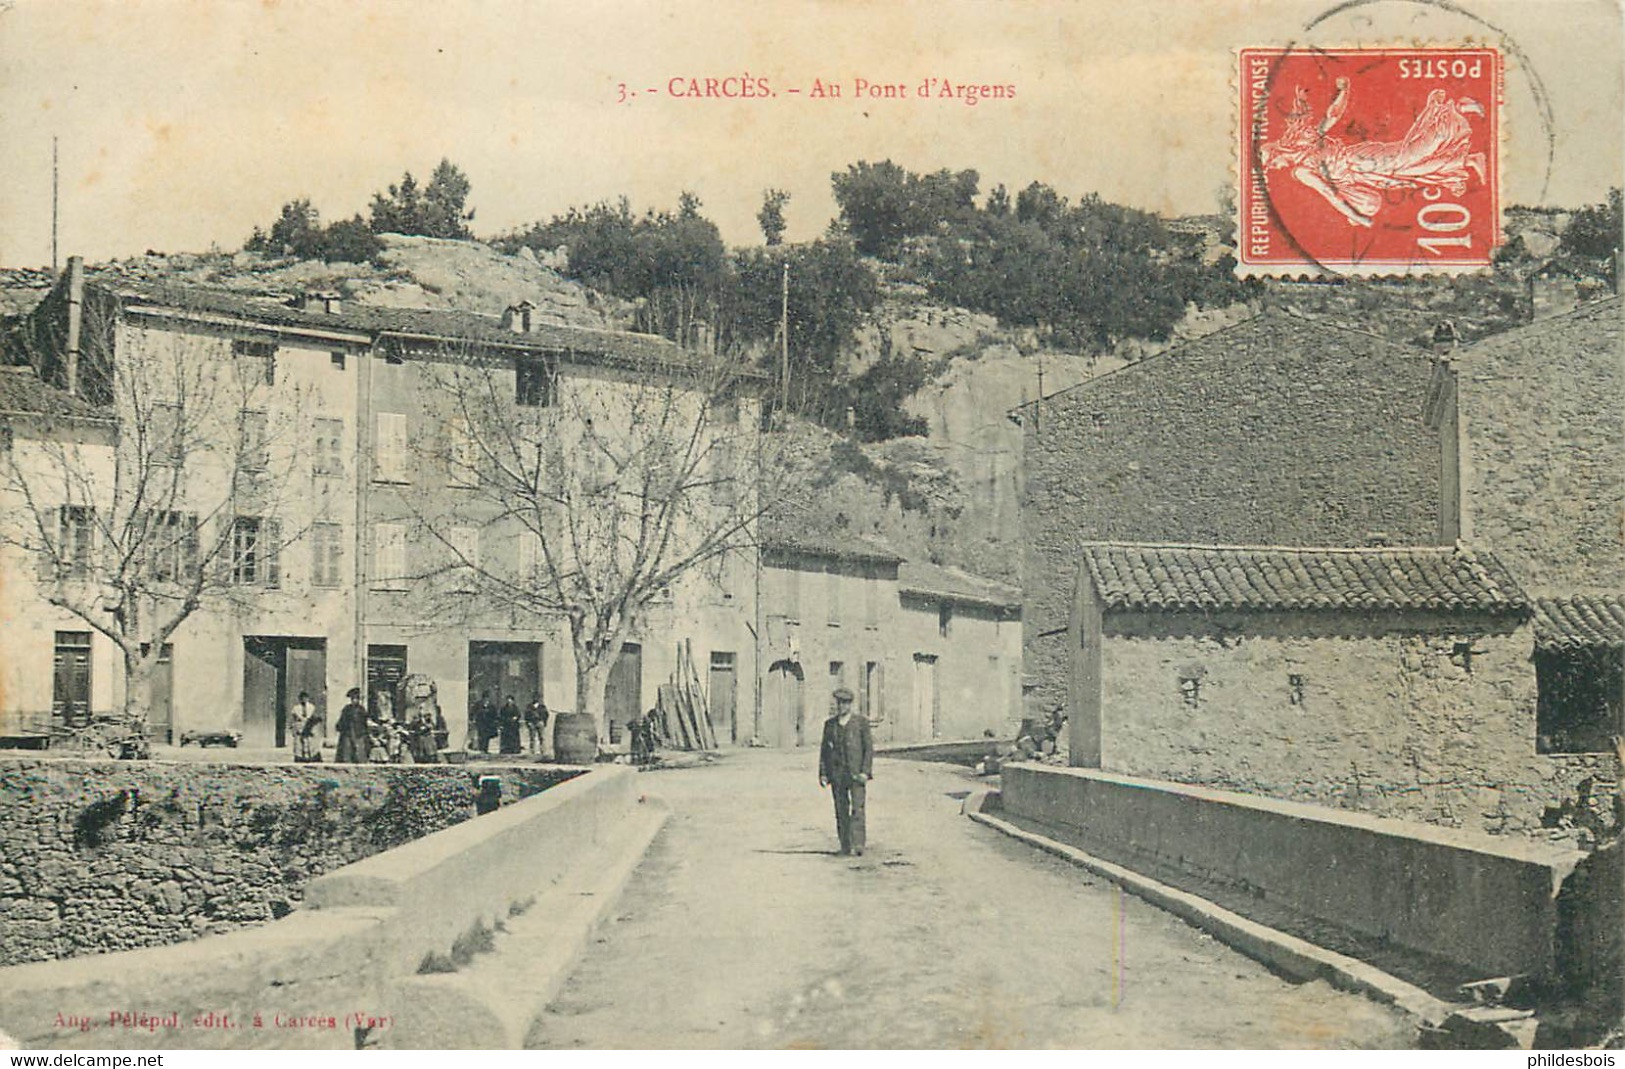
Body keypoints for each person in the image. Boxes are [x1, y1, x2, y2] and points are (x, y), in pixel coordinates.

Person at [818, 686, 873, 857]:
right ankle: (845, 845)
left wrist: (865, 771)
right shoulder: (830, 725)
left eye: (844, 703)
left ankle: (858, 844)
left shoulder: (861, 723)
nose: (841, 706)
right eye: (839, 703)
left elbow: (868, 749)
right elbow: (824, 751)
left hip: (856, 774)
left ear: (850, 705)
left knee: (857, 809)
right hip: (838, 774)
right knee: (841, 810)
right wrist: (823, 773)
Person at [334, 687, 368, 763]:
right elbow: (342, 720)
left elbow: (364, 722)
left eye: (356, 699)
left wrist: (363, 732)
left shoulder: (361, 709)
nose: (354, 700)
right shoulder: (347, 709)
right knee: (346, 749)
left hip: (358, 732)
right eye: (352, 699)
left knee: (359, 750)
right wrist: (340, 726)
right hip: (348, 732)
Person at [289, 690, 322, 763]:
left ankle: (312, 756)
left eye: (306, 698)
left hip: (309, 725)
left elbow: (314, 717)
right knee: (299, 742)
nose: (304, 700)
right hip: (300, 725)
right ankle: (300, 757)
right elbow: (294, 719)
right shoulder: (296, 708)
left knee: (311, 742)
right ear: (300, 699)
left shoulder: (311, 707)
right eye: (302, 698)